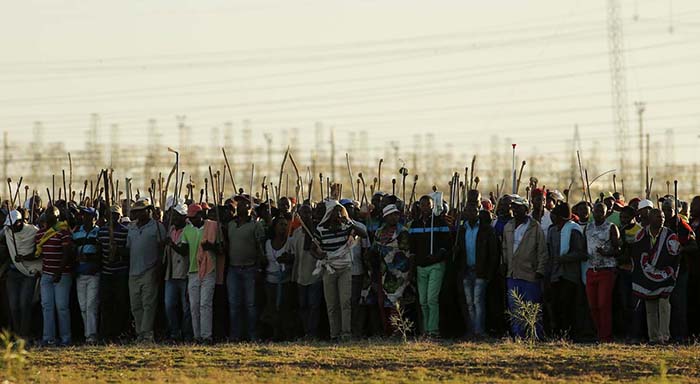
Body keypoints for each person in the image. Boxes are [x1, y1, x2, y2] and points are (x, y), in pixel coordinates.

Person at [312, 199, 368, 341]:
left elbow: (364, 234)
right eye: (334, 212)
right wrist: (320, 254)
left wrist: (349, 221)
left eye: (339, 211)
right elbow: (313, 250)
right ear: (329, 214)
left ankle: (346, 333)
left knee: (345, 302)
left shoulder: (346, 226)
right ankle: (334, 334)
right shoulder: (321, 230)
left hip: (345, 268)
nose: (337, 215)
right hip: (329, 269)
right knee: (332, 303)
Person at [630, 208, 681, 344]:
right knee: (650, 308)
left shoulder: (670, 235)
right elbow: (637, 254)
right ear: (650, 218)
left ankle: (664, 336)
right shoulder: (641, 234)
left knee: (664, 306)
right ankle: (653, 338)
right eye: (658, 217)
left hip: (664, 276)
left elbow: (674, 255)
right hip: (646, 278)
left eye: (663, 217)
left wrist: (660, 266)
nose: (662, 219)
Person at [502, 195, 547, 339]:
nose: (514, 210)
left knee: (532, 306)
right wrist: (503, 263)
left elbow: (542, 251)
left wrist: (540, 270)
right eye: (513, 207)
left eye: (518, 207)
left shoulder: (535, 227)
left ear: (526, 209)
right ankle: (518, 336)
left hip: (530, 273)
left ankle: (535, 335)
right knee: (514, 307)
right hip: (513, 273)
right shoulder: (508, 226)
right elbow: (504, 248)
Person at [367, 204, 414, 336]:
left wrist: (410, 272)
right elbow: (374, 251)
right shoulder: (379, 232)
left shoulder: (403, 232)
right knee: (383, 303)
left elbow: (409, 253)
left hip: (400, 274)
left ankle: (398, 331)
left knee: (396, 303)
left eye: (396, 214)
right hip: (384, 273)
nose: (394, 217)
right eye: (391, 215)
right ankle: (388, 331)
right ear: (385, 217)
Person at [454, 199, 499, 339]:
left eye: (475, 211)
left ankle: (479, 331)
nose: (472, 213)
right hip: (466, 270)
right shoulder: (461, 230)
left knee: (478, 301)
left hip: (481, 270)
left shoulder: (486, 230)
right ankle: (472, 330)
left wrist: (490, 272)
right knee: (469, 302)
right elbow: (458, 253)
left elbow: (493, 253)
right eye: (469, 211)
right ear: (465, 213)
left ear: (478, 212)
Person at [409, 194, 452, 338]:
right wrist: (412, 269)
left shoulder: (440, 222)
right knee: (423, 301)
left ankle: (434, 330)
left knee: (431, 299)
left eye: (428, 204)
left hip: (436, 265)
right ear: (419, 206)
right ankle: (426, 330)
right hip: (421, 267)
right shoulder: (415, 224)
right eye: (422, 204)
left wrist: (438, 255)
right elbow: (413, 250)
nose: (425, 207)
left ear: (433, 206)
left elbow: (446, 245)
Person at [226, 194, 266, 341]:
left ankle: (252, 335)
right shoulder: (231, 225)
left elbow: (260, 246)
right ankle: (235, 335)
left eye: (245, 204)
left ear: (250, 208)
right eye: (240, 204)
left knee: (250, 305)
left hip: (250, 269)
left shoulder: (256, 225)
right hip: (233, 269)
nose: (242, 207)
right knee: (234, 304)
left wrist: (260, 267)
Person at [126, 198, 166, 343]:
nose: (139, 214)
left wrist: (158, 268)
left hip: (150, 269)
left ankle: (147, 334)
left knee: (148, 304)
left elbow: (162, 249)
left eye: (141, 211)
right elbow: (128, 249)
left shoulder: (157, 227)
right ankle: (139, 334)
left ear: (148, 211)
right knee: (135, 305)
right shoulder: (131, 228)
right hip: (133, 271)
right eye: (136, 211)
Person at [545, 202, 587, 340]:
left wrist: (565, 258)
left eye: (555, 215)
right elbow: (550, 255)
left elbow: (581, 253)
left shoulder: (574, 230)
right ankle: (557, 334)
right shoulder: (552, 231)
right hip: (555, 275)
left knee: (567, 307)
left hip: (569, 275)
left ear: (561, 217)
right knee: (556, 306)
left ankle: (568, 335)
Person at [180, 203, 220, 344]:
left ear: (200, 215)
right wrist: (172, 245)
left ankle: (206, 336)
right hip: (193, 271)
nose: (192, 220)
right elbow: (184, 251)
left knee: (205, 304)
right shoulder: (187, 230)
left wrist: (211, 247)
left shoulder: (212, 226)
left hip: (209, 269)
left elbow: (221, 247)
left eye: (194, 217)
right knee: (194, 305)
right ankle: (197, 336)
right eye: (190, 218)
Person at [660, 197, 696, 342]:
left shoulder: (682, 225)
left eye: (669, 210)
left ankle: (680, 335)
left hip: (680, 270)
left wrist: (682, 248)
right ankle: (667, 334)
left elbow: (694, 246)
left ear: (676, 210)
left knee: (678, 303)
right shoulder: (662, 224)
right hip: (665, 270)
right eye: (664, 210)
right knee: (665, 304)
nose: (667, 213)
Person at [36, 205, 74, 346]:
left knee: (62, 306)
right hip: (46, 274)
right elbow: (38, 253)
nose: (50, 217)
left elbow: (67, 253)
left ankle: (65, 338)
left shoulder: (63, 232)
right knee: (47, 306)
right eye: (48, 214)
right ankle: (49, 338)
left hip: (62, 274)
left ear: (58, 217)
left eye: (53, 215)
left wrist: (58, 271)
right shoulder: (40, 234)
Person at [584, 202, 620, 343]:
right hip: (591, 269)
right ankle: (599, 333)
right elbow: (583, 246)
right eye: (596, 211)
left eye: (601, 212)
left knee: (603, 304)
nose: (598, 214)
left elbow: (618, 250)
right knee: (593, 306)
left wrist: (606, 253)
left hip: (606, 270)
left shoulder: (611, 227)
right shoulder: (588, 227)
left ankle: (606, 337)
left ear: (606, 213)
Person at [4, 210, 40, 340]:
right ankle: (17, 335)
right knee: (13, 305)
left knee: (25, 304)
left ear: (19, 222)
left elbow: (39, 251)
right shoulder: (7, 232)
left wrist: (25, 257)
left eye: (13, 225)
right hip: (13, 273)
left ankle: (24, 335)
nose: (11, 228)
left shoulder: (33, 231)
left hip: (28, 273)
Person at [98, 205, 130, 342]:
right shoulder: (102, 232)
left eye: (116, 215)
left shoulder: (125, 232)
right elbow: (99, 251)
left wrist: (118, 251)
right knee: (106, 304)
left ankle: (119, 333)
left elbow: (128, 252)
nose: (114, 218)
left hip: (120, 273)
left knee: (120, 304)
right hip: (106, 273)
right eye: (111, 215)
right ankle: (107, 333)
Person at [262, 215, 295, 340]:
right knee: (271, 306)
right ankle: (273, 333)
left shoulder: (290, 242)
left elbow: (295, 258)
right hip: (271, 281)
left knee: (284, 307)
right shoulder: (267, 243)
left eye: (286, 225)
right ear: (274, 227)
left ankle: (285, 333)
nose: (283, 227)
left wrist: (288, 259)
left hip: (285, 280)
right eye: (280, 224)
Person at [163, 203, 192, 342]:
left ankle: (186, 334)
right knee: (169, 305)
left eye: (176, 215)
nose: (173, 218)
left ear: (183, 216)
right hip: (171, 274)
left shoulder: (189, 230)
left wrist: (172, 245)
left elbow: (185, 252)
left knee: (186, 307)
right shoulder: (171, 230)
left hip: (184, 274)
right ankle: (175, 332)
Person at [72, 207, 102, 344]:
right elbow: (72, 251)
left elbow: (102, 253)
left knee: (91, 305)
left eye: (88, 216)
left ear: (94, 218)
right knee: (83, 306)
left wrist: (89, 257)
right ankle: (87, 334)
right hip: (80, 274)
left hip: (93, 274)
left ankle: (92, 335)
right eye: (84, 216)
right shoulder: (77, 233)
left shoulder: (99, 232)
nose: (84, 218)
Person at [616, 205, 644, 342]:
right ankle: (626, 333)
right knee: (624, 304)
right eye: (621, 217)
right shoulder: (620, 230)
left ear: (633, 218)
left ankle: (636, 334)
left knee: (635, 305)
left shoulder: (639, 231)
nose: (623, 220)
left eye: (626, 217)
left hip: (636, 273)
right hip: (623, 271)